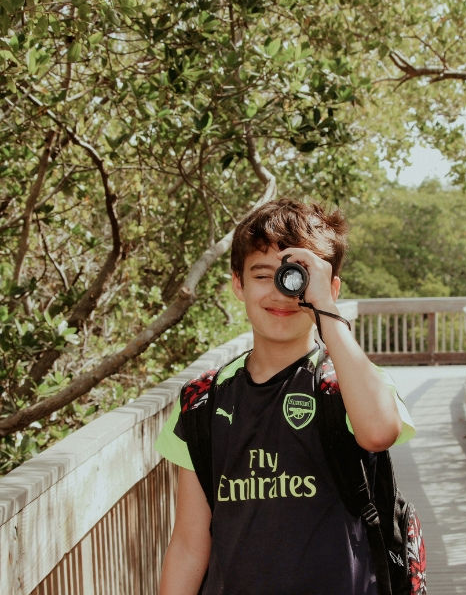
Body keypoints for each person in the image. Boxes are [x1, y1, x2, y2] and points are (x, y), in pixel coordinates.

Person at [155, 198, 416, 594]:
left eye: (297, 276)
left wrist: (325, 309)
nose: (282, 292)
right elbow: (190, 543)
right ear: (237, 285)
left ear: (330, 286)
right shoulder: (203, 401)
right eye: (263, 275)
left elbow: (379, 431)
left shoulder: (345, 382)